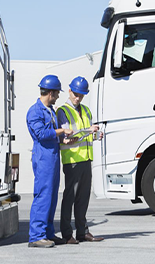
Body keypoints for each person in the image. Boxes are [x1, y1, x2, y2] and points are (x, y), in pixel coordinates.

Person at [27, 75, 74, 248]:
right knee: (43, 195)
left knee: (52, 196)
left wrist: (64, 140)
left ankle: (47, 233)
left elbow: (52, 135)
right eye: (57, 93)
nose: (58, 96)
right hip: (43, 157)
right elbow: (41, 134)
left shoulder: (50, 110)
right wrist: (62, 131)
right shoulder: (35, 111)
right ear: (51, 93)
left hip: (53, 156)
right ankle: (36, 236)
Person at [57, 76, 105, 244]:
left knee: (83, 198)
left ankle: (83, 232)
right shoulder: (62, 111)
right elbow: (66, 135)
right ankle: (66, 234)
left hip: (85, 159)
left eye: (81, 95)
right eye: (75, 94)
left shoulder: (86, 110)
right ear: (69, 91)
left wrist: (96, 134)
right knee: (70, 198)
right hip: (72, 160)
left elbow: (85, 134)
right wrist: (87, 130)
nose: (77, 98)